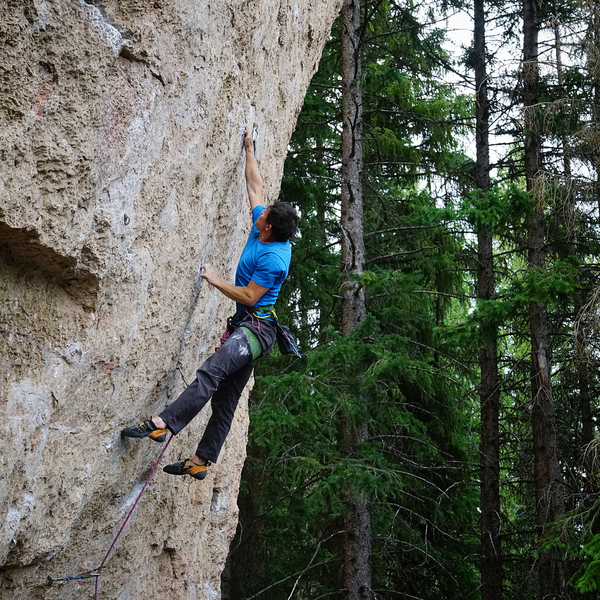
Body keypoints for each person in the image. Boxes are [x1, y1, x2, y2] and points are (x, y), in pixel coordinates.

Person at [121, 125, 299, 481]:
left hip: (256, 332)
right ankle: (201, 461)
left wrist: (217, 280)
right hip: (249, 329)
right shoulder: (264, 228)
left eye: (262, 217)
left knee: (211, 372)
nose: (258, 213)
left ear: (267, 230)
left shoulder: (274, 258)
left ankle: (162, 425)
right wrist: (249, 148)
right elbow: (255, 186)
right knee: (226, 399)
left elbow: (249, 296)